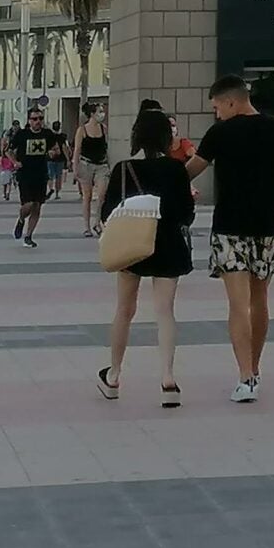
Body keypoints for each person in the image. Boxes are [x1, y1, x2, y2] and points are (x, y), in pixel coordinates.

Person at [184, 75, 274, 404]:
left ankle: (245, 377)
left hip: (229, 228)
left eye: (216, 107)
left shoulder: (219, 134)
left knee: (237, 304)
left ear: (231, 101)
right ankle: (254, 370)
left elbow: (188, 171)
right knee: (260, 300)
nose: (216, 114)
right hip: (267, 228)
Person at [99, 103, 197, 405]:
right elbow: (186, 214)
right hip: (168, 244)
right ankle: (168, 379)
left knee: (124, 310)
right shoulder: (175, 169)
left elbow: (107, 213)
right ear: (167, 137)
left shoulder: (124, 170)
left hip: (133, 247)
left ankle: (114, 376)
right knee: (165, 311)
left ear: (136, 136)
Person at [6, 104, 56, 246]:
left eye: (40, 118)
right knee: (27, 204)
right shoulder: (22, 135)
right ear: (29, 120)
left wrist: (53, 153)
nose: (38, 121)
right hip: (25, 174)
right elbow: (8, 150)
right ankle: (21, 219)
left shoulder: (47, 134)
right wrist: (15, 162)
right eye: (34, 119)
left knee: (37, 205)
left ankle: (29, 236)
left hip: (41, 173)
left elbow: (55, 148)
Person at [74, 101, 109, 233]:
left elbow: (106, 147)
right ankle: (86, 227)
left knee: (102, 194)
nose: (102, 114)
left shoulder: (103, 128)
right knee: (87, 196)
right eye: (100, 111)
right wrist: (75, 167)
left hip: (101, 165)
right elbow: (77, 150)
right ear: (92, 114)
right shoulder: (82, 130)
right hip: (86, 164)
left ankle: (97, 222)